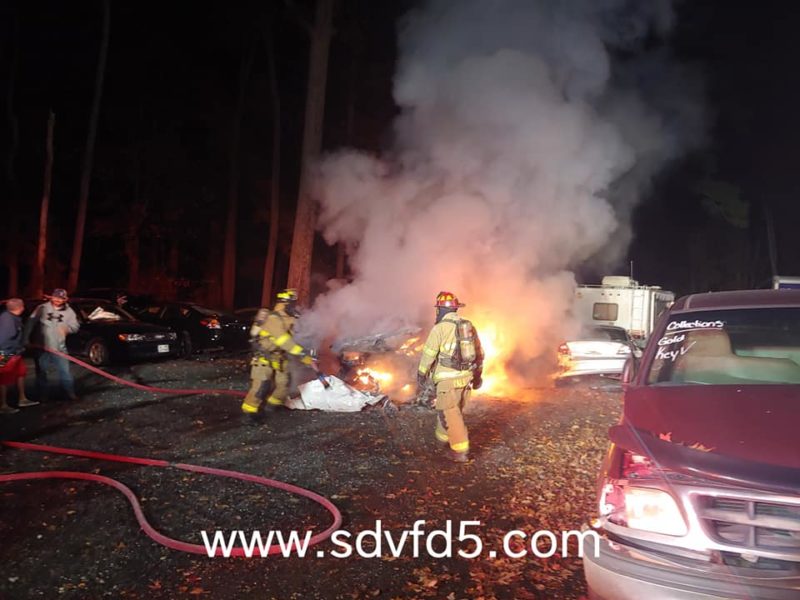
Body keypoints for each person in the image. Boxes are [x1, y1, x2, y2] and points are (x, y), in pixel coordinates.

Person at [417, 291, 484, 463]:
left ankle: (459, 451)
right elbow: (479, 353)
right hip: (466, 377)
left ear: (439, 310)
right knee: (450, 409)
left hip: (447, 380)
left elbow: (429, 354)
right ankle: (443, 439)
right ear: (455, 308)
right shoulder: (467, 325)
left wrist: (422, 373)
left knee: (450, 412)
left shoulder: (439, 328)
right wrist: (477, 377)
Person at [241, 289, 315, 417]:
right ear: (285, 303)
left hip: (279, 357)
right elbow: (284, 341)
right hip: (264, 358)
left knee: (284, 385)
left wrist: (307, 358)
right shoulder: (273, 319)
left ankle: (272, 406)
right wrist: (301, 353)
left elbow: (294, 339)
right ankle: (249, 413)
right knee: (261, 387)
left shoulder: (288, 319)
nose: (295, 307)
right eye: (292, 304)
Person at [24, 288, 80, 402]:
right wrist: (26, 339)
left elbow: (75, 326)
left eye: (61, 298)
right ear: (52, 297)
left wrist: (67, 329)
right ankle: (43, 395)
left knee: (65, 371)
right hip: (42, 346)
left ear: (65, 299)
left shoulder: (69, 312)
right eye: (56, 297)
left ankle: (69, 393)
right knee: (41, 371)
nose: (57, 300)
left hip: (59, 348)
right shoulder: (42, 308)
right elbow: (30, 323)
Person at [0, 299, 39, 413]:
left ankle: (22, 399)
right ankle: (3, 405)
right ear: (19, 308)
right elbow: (4, 339)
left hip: (15, 353)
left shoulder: (12, 317)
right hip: (6, 353)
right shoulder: (7, 320)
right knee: (4, 377)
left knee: (20, 373)